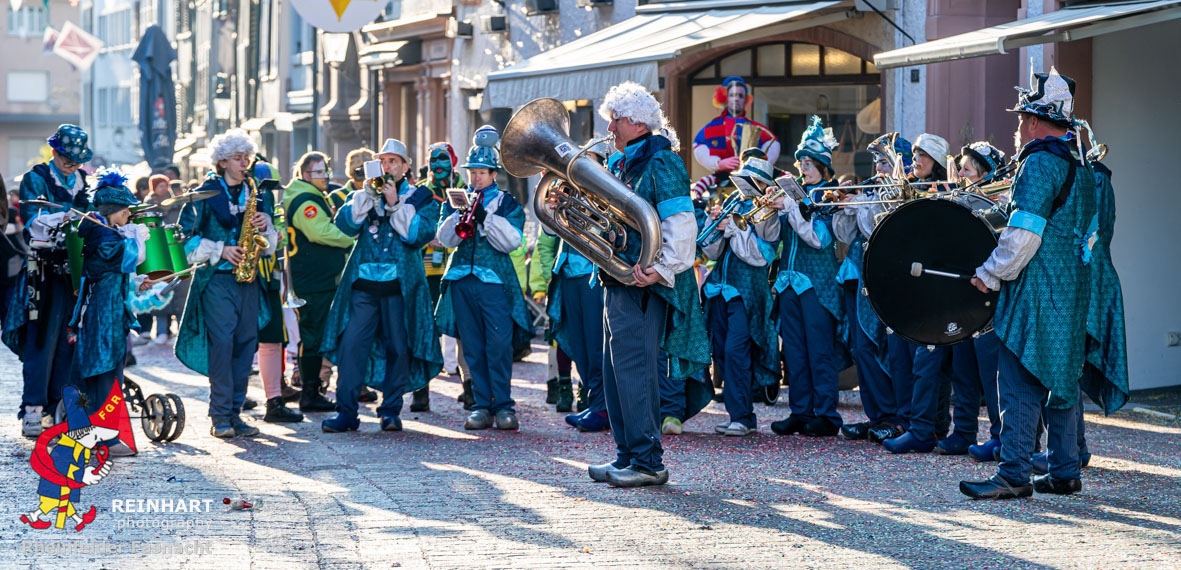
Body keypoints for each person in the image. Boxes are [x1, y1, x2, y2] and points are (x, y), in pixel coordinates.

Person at [961, 68, 1098, 499]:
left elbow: (1024, 235)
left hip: (1037, 290)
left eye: (1021, 119)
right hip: (1073, 292)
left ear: (1035, 122)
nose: (1018, 127)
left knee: (1019, 377)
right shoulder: (1084, 166)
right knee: (1062, 379)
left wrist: (988, 274)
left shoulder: (1039, 162)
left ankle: (1014, 474)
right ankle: (1064, 470)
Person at [588, 82, 708, 488]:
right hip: (618, 277)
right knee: (614, 370)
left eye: (615, 119)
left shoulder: (661, 162)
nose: (610, 126)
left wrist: (662, 268)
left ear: (638, 123)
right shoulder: (626, 161)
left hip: (643, 282)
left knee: (635, 370)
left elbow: (681, 222)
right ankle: (628, 453)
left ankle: (647, 459)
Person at [320, 139, 442, 433]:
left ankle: (390, 411)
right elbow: (346, 226)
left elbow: (417, 235)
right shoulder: (363, 192)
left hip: (401, 288)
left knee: (399, 348)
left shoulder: (421, 197)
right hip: (363, 285)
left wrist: (394, 204)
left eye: (393, 161)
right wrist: (364, 197)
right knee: (351, 347)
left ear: (405, 167)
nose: (387, 167)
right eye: (383, 161)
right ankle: (346, 412)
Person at [1031, 122, 1130, 474]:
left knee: (1063, 366)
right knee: (1063, 367)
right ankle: (1074, 446)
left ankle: (1070, 449)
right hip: (1080, 273)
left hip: (1082, 274)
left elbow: (1088, 229)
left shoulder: (1089, 175)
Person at [174, 129, 280, 439]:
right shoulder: (202, 196)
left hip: (249, 279)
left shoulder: (256, 193)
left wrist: (267, 225)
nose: (245, 162)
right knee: (222, 345)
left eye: (247, 157)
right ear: (222, 162)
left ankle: (235, 413)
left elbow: (271, 245)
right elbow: (183, 244)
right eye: (238, 158)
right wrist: (221, 249)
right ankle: (219, 415)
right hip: (217, 279)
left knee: (246, 344)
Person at [435, 127, 533, 431]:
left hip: (493, 282)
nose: (476, 178)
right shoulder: (455, 200)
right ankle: (480, 405)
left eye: (482, 172)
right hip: (462, 278)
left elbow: (512, 241)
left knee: (499, 344)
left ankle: (504, 405)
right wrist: (459, 214)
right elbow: (444, 239)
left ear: (494, 175)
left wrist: (485, 218)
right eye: (472, 172)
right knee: (472, 345)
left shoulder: (506, 203)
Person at [4, 124, 93, 437]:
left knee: (69, 342)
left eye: (77, 161)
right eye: (68, 160)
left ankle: (57, 406)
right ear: (55, 152)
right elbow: (33, 222)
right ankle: (32, 408)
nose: (73, 166)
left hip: (74, 271)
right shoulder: (36, 177)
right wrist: (63, 218)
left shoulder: (84, 181)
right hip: (42, 272)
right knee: (41, 340)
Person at [762, 115, 846, 438]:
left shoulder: (828, 196)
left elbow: (820, 239)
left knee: (818, 350)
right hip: (787, 281)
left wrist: (794, 211)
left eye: (811, 163)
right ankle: (800, 411)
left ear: (823, 168)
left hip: (818, 284)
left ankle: (826, 415)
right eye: (801, 162)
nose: (804, 168)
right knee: (794, 350)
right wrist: (772, 211)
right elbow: (772, 236)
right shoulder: (795, 195)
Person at [68, 170, 171, 427]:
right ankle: (102, 431)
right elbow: (127, 258)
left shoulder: (110, 234)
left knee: (113, 367)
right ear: (111, 211)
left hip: (113, 313)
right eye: (125, 212)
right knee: (103, 370)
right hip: (103, 314)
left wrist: (137, 282)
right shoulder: (102, 236)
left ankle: (107, 428)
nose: (128, 217)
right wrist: (135, 240)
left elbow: (118, 274)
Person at [832, 133, 914, 443]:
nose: (879, 167)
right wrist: (844, 206)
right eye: (878, 161)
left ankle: (894, 417)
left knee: (882, 346)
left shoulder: (899, 193)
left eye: (885, 161)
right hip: (858, 275)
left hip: (884, 275)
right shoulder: (868, 189)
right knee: (861, 346)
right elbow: (844, 233)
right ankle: (876, 415)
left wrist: (859, 206)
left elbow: (876, 229)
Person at [700, 156, 780, 437]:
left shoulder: (767, 211)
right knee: (721, 351)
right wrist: (715, 225)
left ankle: (745, 417)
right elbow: (709, 252)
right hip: (719, 290)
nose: (742, 186)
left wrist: (734, 229)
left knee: (737, 352)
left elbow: (760, 256)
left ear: (761, 184)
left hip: (747, 292)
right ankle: (736, 413)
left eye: (750, 181)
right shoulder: (734, 203)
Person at [282, 151, 353, 421]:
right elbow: (319, 231)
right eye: (318, 172)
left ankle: (312, 390)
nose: (324, 177)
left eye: (325, 171)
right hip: (314, 280)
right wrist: (352, 238)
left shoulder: (306, 195)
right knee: (312, 337)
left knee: (314, 335)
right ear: (304, 175)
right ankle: (310, 393)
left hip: (315, 278)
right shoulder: (304, 199)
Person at [414, 142, 466, 412]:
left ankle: (469, 387)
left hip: (456, 268)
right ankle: (421, 390)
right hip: (427, 271)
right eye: (433, 159)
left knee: (461, 328)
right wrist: (427, 237)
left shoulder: (465, 190)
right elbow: (408, 224)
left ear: (453, 161)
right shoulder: (421, 192)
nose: (437, 165)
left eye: (443, 159)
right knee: (426, 328)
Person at [693, 76, 780, 178]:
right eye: (732, 95)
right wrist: (719, 163)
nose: (736, 99)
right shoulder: (715, 126)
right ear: (725, 98)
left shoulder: (754, 127)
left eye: (740, 96)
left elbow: (773, 143)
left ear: (746, 99)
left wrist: (759, 165)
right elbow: (698, 145)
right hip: (722, 179)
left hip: (751, 178)